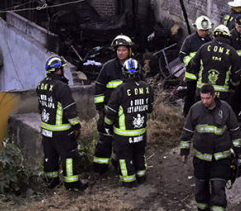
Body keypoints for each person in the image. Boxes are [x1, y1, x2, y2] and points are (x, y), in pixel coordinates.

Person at [180, 83, 241, 211]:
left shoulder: (225, 109)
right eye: (202, 98)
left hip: (221, 158)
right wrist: (184, 151)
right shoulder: (195, 109)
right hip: (201, 159)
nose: (205, 101)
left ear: (214, 96)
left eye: (208, 98)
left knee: (218, 188)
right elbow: (187, 131)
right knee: (201, 188)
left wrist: (238, 153)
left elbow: (235, 131)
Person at [36, 56, 87, 191]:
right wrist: (76, 126)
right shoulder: (61, 87)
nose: (63, 71)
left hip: (46, 130)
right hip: (61, 130)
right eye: (62, 68)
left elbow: (41, 107)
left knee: (50, 156)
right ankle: (72, 184)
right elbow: (69, 109)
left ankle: (51, 182)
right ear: (58, 70)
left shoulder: (41, 85)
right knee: (69, 156)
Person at [104, 57, 155, 187]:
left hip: (124, 133)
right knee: (139, 154)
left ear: (124, 72)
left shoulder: (120, 89)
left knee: (124, 157)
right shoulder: (146, 87)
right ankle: (141, 176)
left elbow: (110, 111)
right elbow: (149, 109)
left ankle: (129, 182)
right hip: (140, 132)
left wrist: (107, 125)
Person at [92, 34, 134, 173]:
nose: (121, 53)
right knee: (105, 140)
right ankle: (100, 168)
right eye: (118, 50)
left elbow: (141, 87)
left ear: (129, 51)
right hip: (109, 112)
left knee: (124, 142)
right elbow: (99, 88)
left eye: (123, 50)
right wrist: (100, 110)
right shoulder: (108, 67)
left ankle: (119, 166)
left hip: (127, 113)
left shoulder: (134, 67)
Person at [185, 24, 241, 109]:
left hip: (202, 92)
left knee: (201, 115)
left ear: (214, 35)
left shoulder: (203, 47)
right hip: (222, 94)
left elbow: (193, 65)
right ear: (228, 37)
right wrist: (232, 84)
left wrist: (198, 76)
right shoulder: (232, 52)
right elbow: (237, 73)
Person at [181, 16, 213, 113]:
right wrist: (191, 62)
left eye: (206, 30)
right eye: (202, 30)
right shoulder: (189, 40)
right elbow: (182, 54)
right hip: (192, 76)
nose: (204, 32)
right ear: (197, 29)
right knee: (190, 97)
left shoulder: (210, 41)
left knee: (202, 98)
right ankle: (187, 115)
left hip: (204, 77)